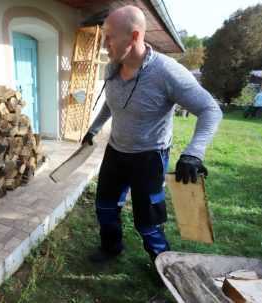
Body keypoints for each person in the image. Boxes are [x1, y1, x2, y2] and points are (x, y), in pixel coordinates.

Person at [82, 5, 222, 264]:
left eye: (109, 36)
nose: (104, 44)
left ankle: (163, 263)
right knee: (105, 207)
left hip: (149, 157)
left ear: (134, 36)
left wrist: (194, 153)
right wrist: (95, 128)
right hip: (116, 151)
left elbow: (210, 110)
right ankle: (111, 248)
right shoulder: (112, 67)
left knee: (148, 220)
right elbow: (110, 103)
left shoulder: (167, 73)